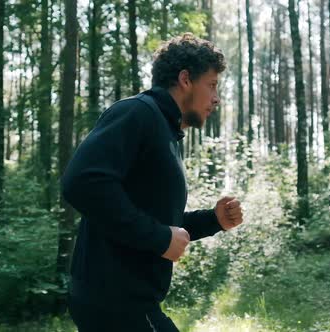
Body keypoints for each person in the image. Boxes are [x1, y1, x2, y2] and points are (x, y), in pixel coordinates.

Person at [62, 33, 244, 332]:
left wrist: (214, 220)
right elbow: (81, 182)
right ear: (185, 79)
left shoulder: (165, 132)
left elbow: (154, 221)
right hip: (117, 304)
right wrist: (159, 239)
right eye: (211, 85)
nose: (216, 98)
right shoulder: (137, 113)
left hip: (125, 303)